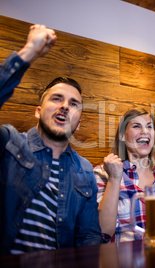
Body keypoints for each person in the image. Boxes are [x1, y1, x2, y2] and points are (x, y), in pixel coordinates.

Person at [0, 25, 103, 255]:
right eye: (57, 99)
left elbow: (88, 236)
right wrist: (28, 52)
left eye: (73, 103)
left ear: (78, 123)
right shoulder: (8, 143)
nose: (65, 106)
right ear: (38, 111)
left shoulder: (85, 170)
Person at [94, 108, 155, 241]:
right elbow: (104, 232)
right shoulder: (103, 173)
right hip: (123, 259)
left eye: (149, 127)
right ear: (122, 136)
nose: (145, 131)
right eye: (137, 126)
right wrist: (114, 179)